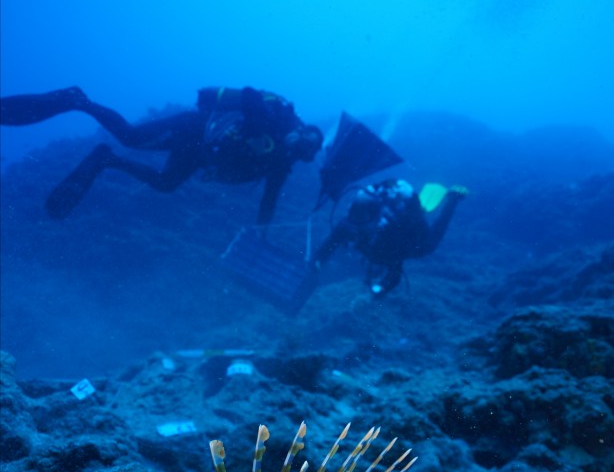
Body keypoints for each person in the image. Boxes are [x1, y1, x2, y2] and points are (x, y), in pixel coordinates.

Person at [0, 86, 323, 224]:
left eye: (300, 150)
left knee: (166, 183)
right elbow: (250, 95)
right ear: (299, 129)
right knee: (131, 136)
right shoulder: (277, 117)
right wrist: (256, 129)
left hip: (200, 155)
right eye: (298, 139)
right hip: (195, 129)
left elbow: (270, 199)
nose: (294, 146)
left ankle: (104, 159)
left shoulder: (282, 162)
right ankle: (77, 99)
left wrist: (262, 234)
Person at [313, 178, 466, 295]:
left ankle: (452, 200)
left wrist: (317, 261)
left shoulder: (356, 230)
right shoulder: (386, 248)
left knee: (429, 245)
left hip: (404, 228)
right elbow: (394, 276)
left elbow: (330, 243)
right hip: (397, 224)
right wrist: (378, 291)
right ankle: (451, 200)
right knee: (427, 245)